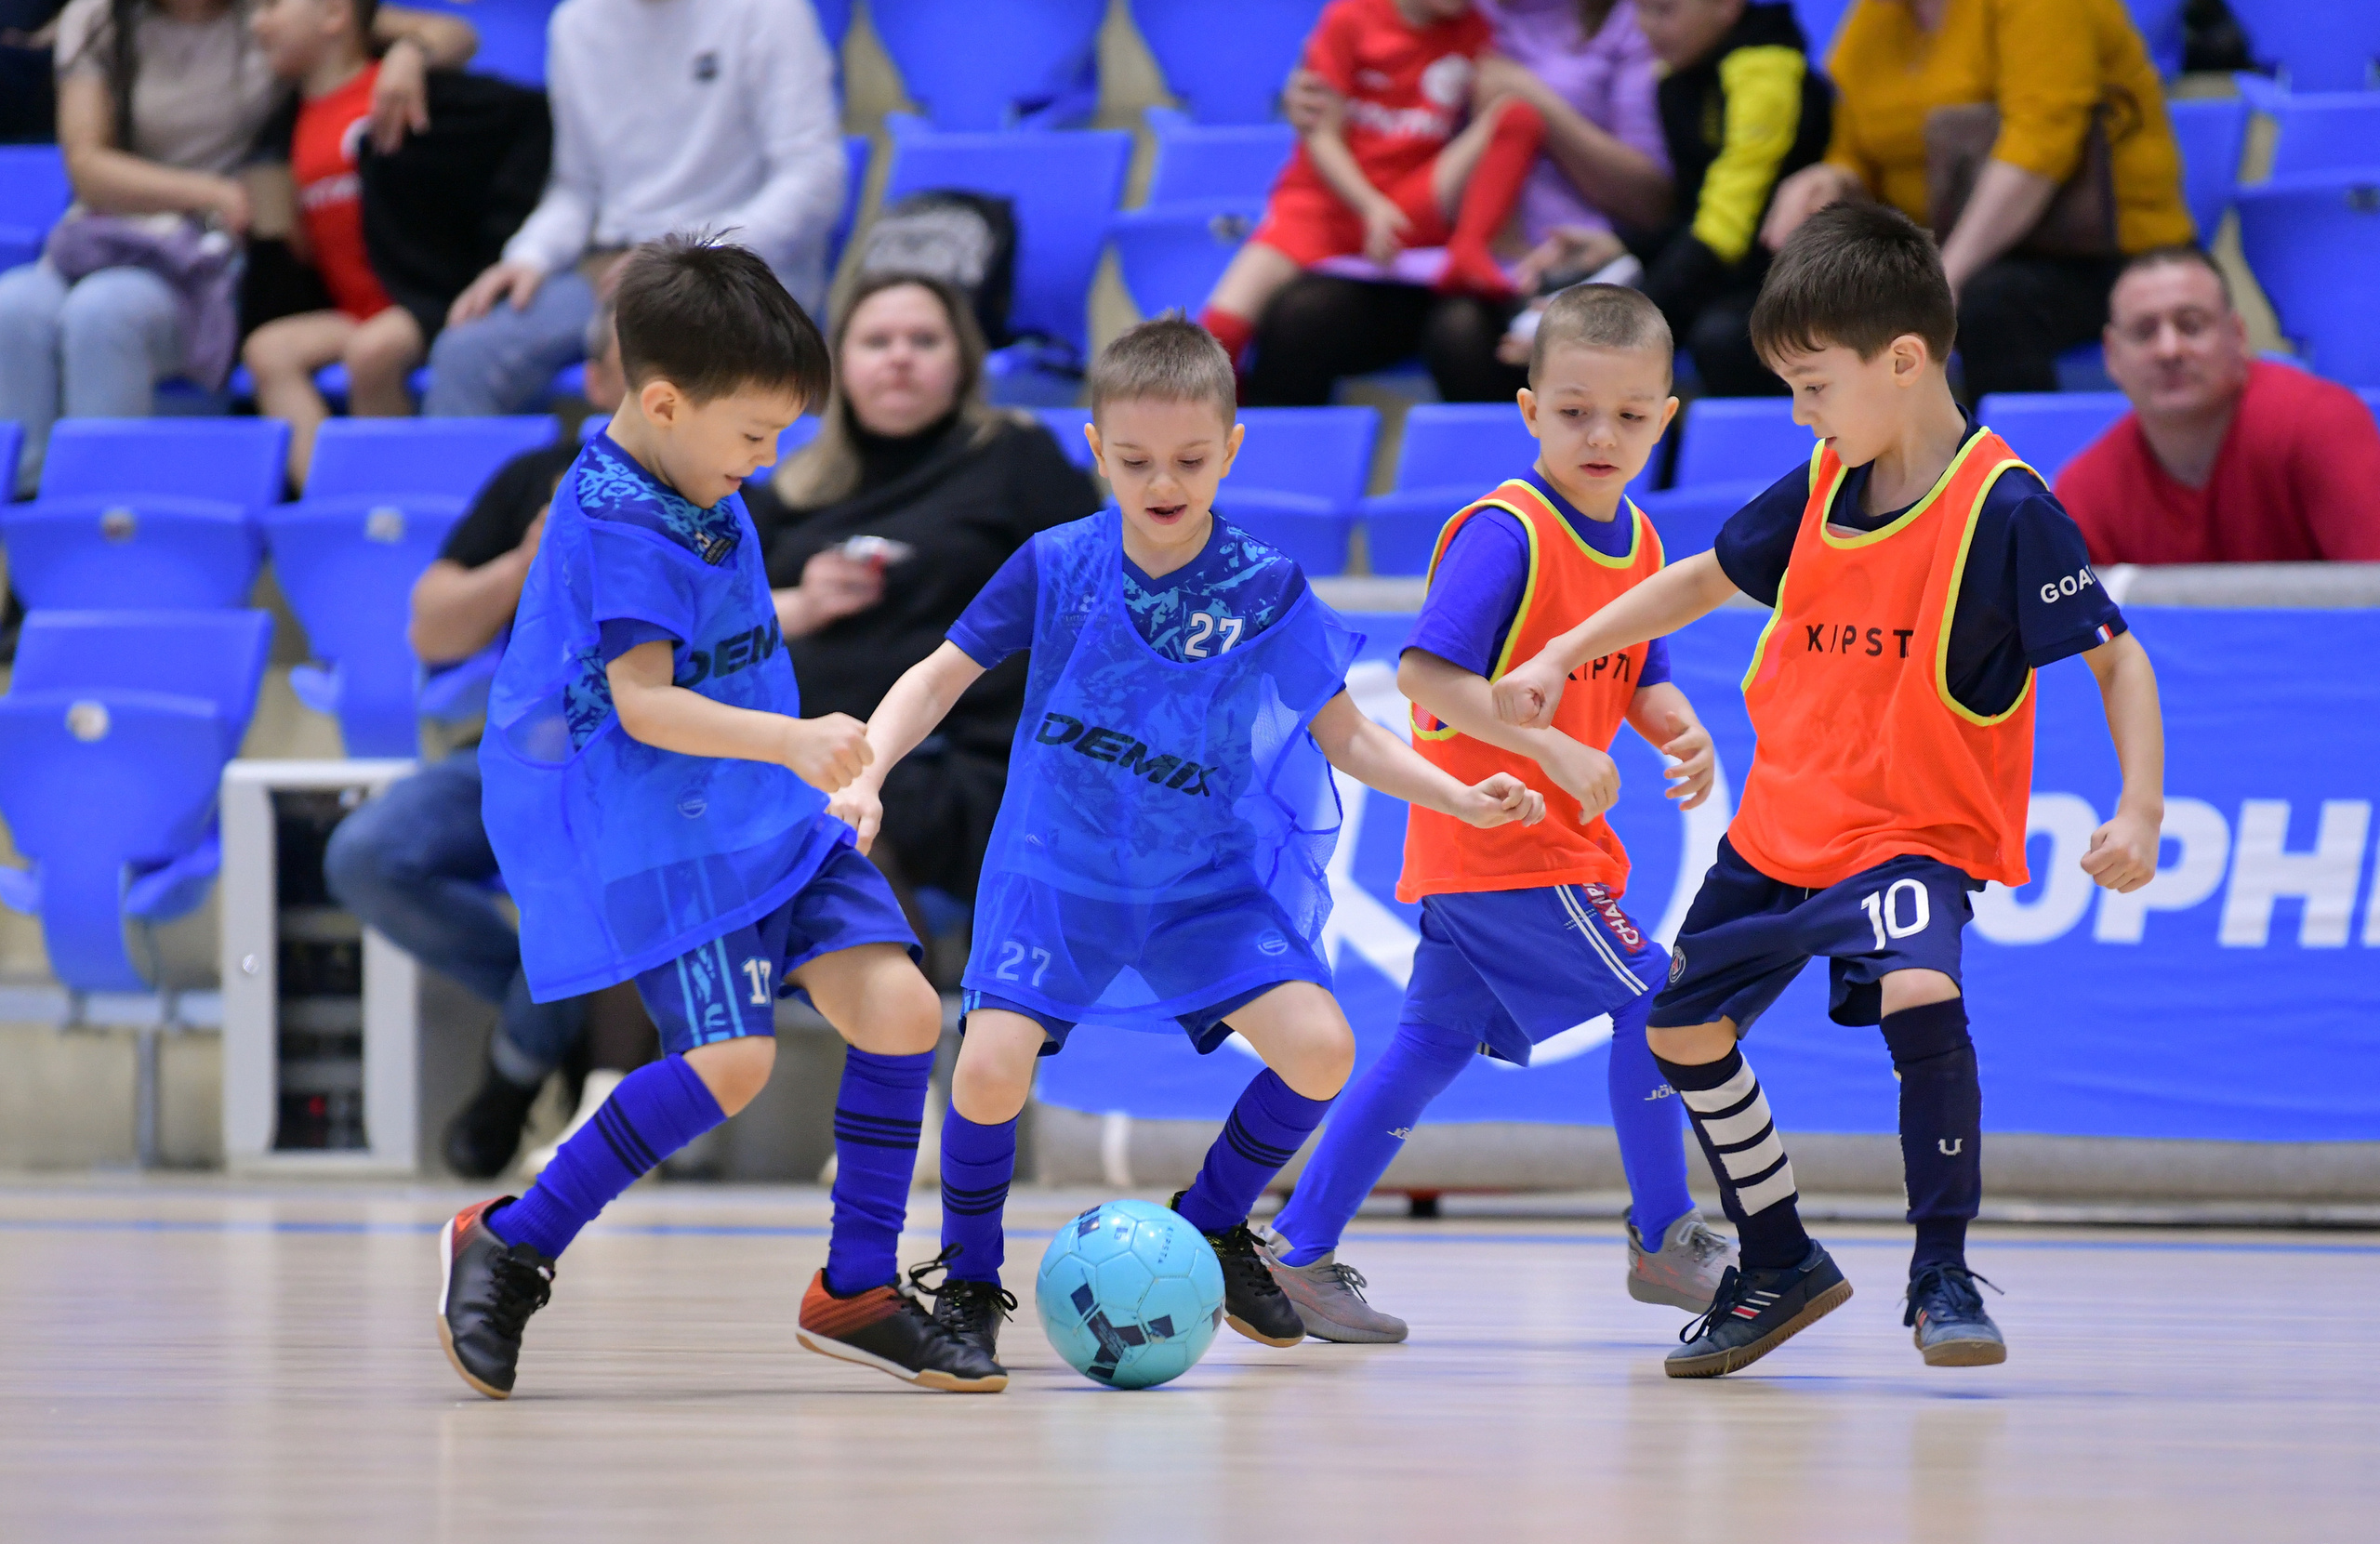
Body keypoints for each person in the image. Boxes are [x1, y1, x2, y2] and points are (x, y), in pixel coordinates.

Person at [1493, 202, 2165, 1378]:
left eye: (1812, 386)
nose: (1799, 412)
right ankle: (1781, 1256)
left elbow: (2117, 656)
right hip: (1781, 829)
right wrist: (1558, 651)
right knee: (1679, 1028)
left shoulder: (2003, 509)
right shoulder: (1818, 483)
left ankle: (1942, 1268)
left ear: (1902, 363)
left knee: (1916, 986)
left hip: (1912, 833)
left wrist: (2140, 806)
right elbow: (1700, 577)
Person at [835, 318, 1545, 1364]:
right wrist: (870, 769)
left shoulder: (1264, 587)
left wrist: (1454, 793)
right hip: (1057, 879)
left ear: (1233, 449)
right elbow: (940, 675)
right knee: (987, 1072)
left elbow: (1346, 735)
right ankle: (971, 1283)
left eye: (1189, 459)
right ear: (1096, 449)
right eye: (1135, 461)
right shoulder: (1055, 564)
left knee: (1321, 1049)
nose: (1162, 480)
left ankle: (1215, 1216)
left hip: (1201, 889)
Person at [435, 236, 1003, 1399]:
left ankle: (855, 1287)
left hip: (761, 814)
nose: (770, 455)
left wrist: (810, 766)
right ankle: (515, 1240)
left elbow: (735, 651)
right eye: (755, 434)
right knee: (731, 1062)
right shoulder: (617, 519)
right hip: (664, 832)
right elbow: (643, 707)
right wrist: (796, 744)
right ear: (661, 403)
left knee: (899, 1012)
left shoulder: (701, 474)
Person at [1262, 284, 1736, 1343]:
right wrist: (1546, 741)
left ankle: (1297, 1250)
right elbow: (1425, 675)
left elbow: (1641, 672)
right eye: (1573, 412)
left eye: (1626, 415)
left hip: (1529, 848)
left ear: (1665, 419)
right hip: (1502, 838)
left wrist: (1679, 729)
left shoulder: (1642, 541)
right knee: (1658, 999)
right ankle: (1663, 1237)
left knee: (1426, 1046)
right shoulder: (1506, 531)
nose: (1599, 435)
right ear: (1529, 414)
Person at [322, 301, 623, 1181]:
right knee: (367, 852)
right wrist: (520, 563)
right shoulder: (536, 476)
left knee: (582, 886)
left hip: (635, 770)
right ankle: (544, 1021)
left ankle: (512, 1076)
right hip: (512, 754)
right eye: (626, 370)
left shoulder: (721, 493)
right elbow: (430, 630)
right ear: (599, 383)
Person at [747, 273, 1100, 938]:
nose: (900, 356)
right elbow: (709, 623)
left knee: (796, 805)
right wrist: (799, 601)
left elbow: (1102, 593)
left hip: (949, 756)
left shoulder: (1013, 456)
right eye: (877, 340)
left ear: (962, 359)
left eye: (924, 339)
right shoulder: (791, 487)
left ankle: (906, 1014)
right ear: (840, 365)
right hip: (795, 744)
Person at [0, 0, 473, 494]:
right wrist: (215, 194)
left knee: (104, 314)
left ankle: (105, 530)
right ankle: (33, 532)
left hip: (211, 258)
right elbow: (88, 167)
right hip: (109, 238)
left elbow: (450, 33)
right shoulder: (97, 15)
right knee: (12, 307)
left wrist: (408, 55)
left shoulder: (269, 12)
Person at [421, 0, 845, 417]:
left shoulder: (768, 12)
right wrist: (529, 256)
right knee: (466, 355)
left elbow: (813, 179)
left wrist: (687, 252)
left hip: (741, 271)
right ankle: (516, 489)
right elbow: (577, 188)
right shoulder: (576, 23)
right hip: (612, 271)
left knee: (662, 360)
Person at [1758, 0, 2191, 398]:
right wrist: (1830, 177)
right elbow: (1860, 146)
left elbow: (2041, 143)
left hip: (2100, 252)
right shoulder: (1878, 15)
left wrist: (1946, 275)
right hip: (1948, 254)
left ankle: (2011, 478)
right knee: (1772, 316)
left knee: (1993, 308)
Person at [1247, 0, 1668, 404]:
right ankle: (1247, 468)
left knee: (1459, 335)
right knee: (1300, 319)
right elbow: (1377, 59)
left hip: (1562, 261)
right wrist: (1320, 84)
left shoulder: (1631, 21)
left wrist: (1533, 105)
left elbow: (1651, 202)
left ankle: (1525, 478)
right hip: (1437, 253)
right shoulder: (1463, 8)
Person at [242, 0, 549, 489]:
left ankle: (394, 503)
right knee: (267, 350)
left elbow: (515, 125)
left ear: (333, 15)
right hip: (354, 309)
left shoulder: (400, 93)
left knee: (373, 351)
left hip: (423, 298)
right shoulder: (281, 126)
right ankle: (333, 503)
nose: (257, 21)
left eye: (272, 6)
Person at [1199, 0, 1549, 370]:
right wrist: (1369, 206)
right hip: (1320, 207)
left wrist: (1505, 239)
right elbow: (1320, 135)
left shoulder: (1475, 28)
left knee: (1517, 116)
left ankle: (1470, 251)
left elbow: (1487, 143)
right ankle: (1225, 416)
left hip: (1407, 207)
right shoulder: (1350, 16)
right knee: (1219, 333)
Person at [1543, 0, 1832, 395]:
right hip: (1731, 272)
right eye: (1640, 10)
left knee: (1717, 339)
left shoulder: (1767, 76)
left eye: (1664, 10)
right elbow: (1693, 213)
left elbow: (1726, 229)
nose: (1647, 28)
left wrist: (1628, 325)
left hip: (1802, 277)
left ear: (1727, 7)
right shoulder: (1677, 78)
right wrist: (1622, 248)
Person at [2057, 246, 2380, 565]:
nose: (2169, 350)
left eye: (2191, 326)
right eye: (2144, 333)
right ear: (2111, 356)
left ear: (2238, 336)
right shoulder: (2085, 492)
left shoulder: (2321, 425)